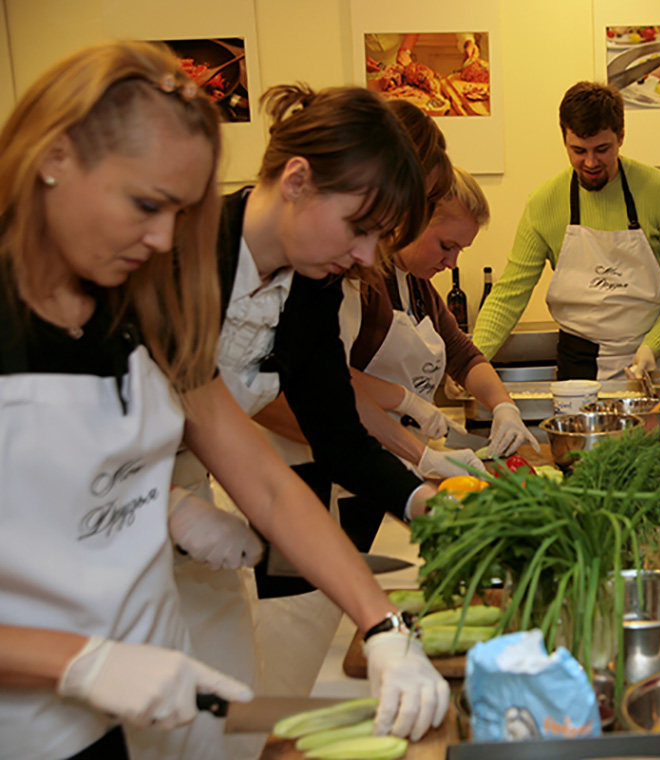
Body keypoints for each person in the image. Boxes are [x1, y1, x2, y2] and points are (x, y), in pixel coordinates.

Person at [0, 41, 446, 760]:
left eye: (179, 211)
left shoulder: (131, 302)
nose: (162, 240)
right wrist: (81, 661)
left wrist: (382, 624)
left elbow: (266, 483)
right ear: (54, 157)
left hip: (132, 662)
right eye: (148, 205)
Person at [178, 84, 450, 729]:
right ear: (297, 180)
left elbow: (335, 438)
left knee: (225, 707)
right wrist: (161, 505)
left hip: (195, 488)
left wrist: (424, 503)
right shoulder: (180, 254)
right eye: (360, 229)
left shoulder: (312, 279)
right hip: (110, 503)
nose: (364, 256)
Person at [472, 81, 660, 381]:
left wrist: (652, 346)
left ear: (621, 136)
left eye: (602, 149)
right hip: (580, 365)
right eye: (578, 150)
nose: (591, 162)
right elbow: (509, 294)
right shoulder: (545, 203)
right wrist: (471, 363)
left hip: (652, 361)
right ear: (564, 139)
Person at [349, 160, 540, 463]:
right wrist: (407, 401)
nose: (451, 263)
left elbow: (463, 356)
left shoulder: (418, 287)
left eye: (459, 250)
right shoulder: (360, 281)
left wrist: (504, 406)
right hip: (354, 459)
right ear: (413, 220)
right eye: (446, 246)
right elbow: (326, 375)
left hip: (401, 458)